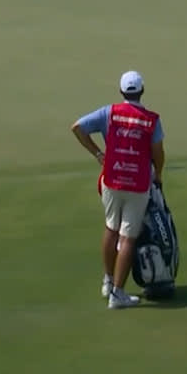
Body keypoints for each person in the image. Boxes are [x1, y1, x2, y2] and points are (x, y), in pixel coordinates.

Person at [69, 70, 165, 309]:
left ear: (122, 91)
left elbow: (77, 127)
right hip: (138, 183)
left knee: (111, 229)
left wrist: (98, 154)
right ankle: (118, 294)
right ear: (142, 90)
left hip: (112, 180)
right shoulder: (151, 119)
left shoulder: (109, 113)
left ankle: (108, 280)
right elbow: (158, 153)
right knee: (128, 237)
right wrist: (159, 174)